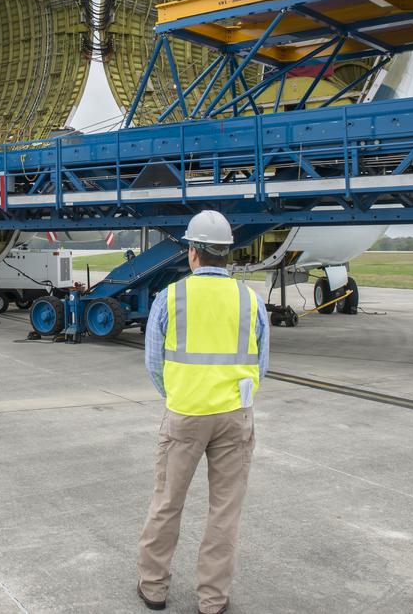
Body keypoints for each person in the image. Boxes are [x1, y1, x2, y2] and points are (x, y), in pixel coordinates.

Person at [136, 210, 269, 614]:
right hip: (235, 416)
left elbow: (154, 363)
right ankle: (212, 600)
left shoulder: (170, 297)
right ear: (226, 253)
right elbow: (260, 363)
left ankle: (154, 588)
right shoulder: (251, 300)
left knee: (167, 503)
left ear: (192, 252)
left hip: (185, 413)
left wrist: (178, 394)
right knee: (224, 512)